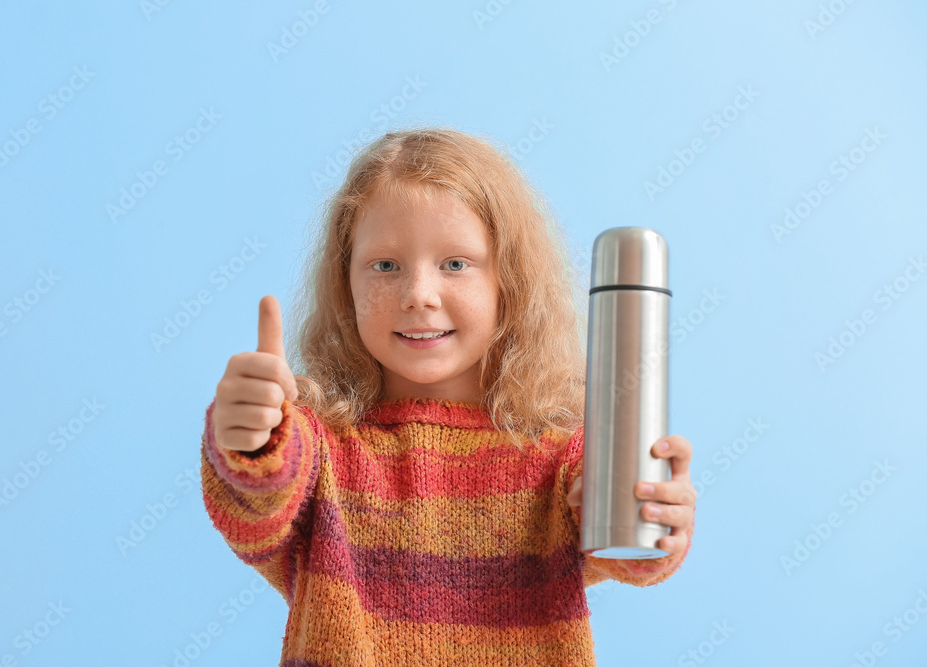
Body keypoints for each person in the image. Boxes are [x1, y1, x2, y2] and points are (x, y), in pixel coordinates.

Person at [199, 127, 697, 666]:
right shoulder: (316, 448)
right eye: (385, 265)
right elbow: (256, 514)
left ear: (510, 281)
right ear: (345, 283)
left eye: (455, 264)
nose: (419, 295)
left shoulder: (561, 454)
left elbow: (626, 555)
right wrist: (252, 440)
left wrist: (657, 518)